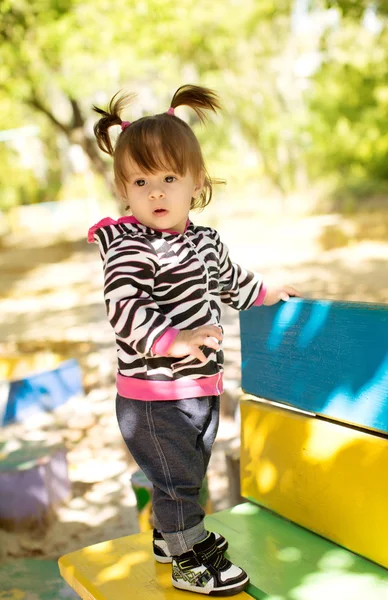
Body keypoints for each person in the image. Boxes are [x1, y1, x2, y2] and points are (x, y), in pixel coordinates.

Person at [89, 84, 300, 596]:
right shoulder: (129, 248)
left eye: (168, 177)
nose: (156, 192)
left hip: (200, 387)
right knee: (178, 480)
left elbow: (230, 280)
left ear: (195, 181)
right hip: (153, 397)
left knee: (190, 468)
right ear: (124, 190)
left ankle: (170, 537)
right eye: (141, 181)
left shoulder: (205, 240)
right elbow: (125, 310)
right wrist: (173, 340)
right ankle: (187, 560)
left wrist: (266, 293)